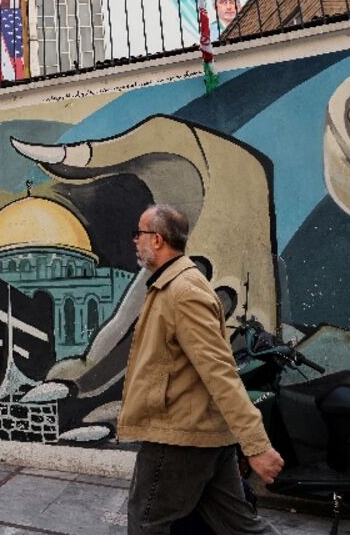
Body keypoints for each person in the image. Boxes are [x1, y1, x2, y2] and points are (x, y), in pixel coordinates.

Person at [121, 204, 284, 535]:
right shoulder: (173, 285)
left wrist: (256, 445)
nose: (134, 241)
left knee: (146, 523)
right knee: (238, 526)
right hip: (201, 434)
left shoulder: (183, 291)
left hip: (180, 436)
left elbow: (220, 372)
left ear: (157, 239)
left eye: (139, 233)